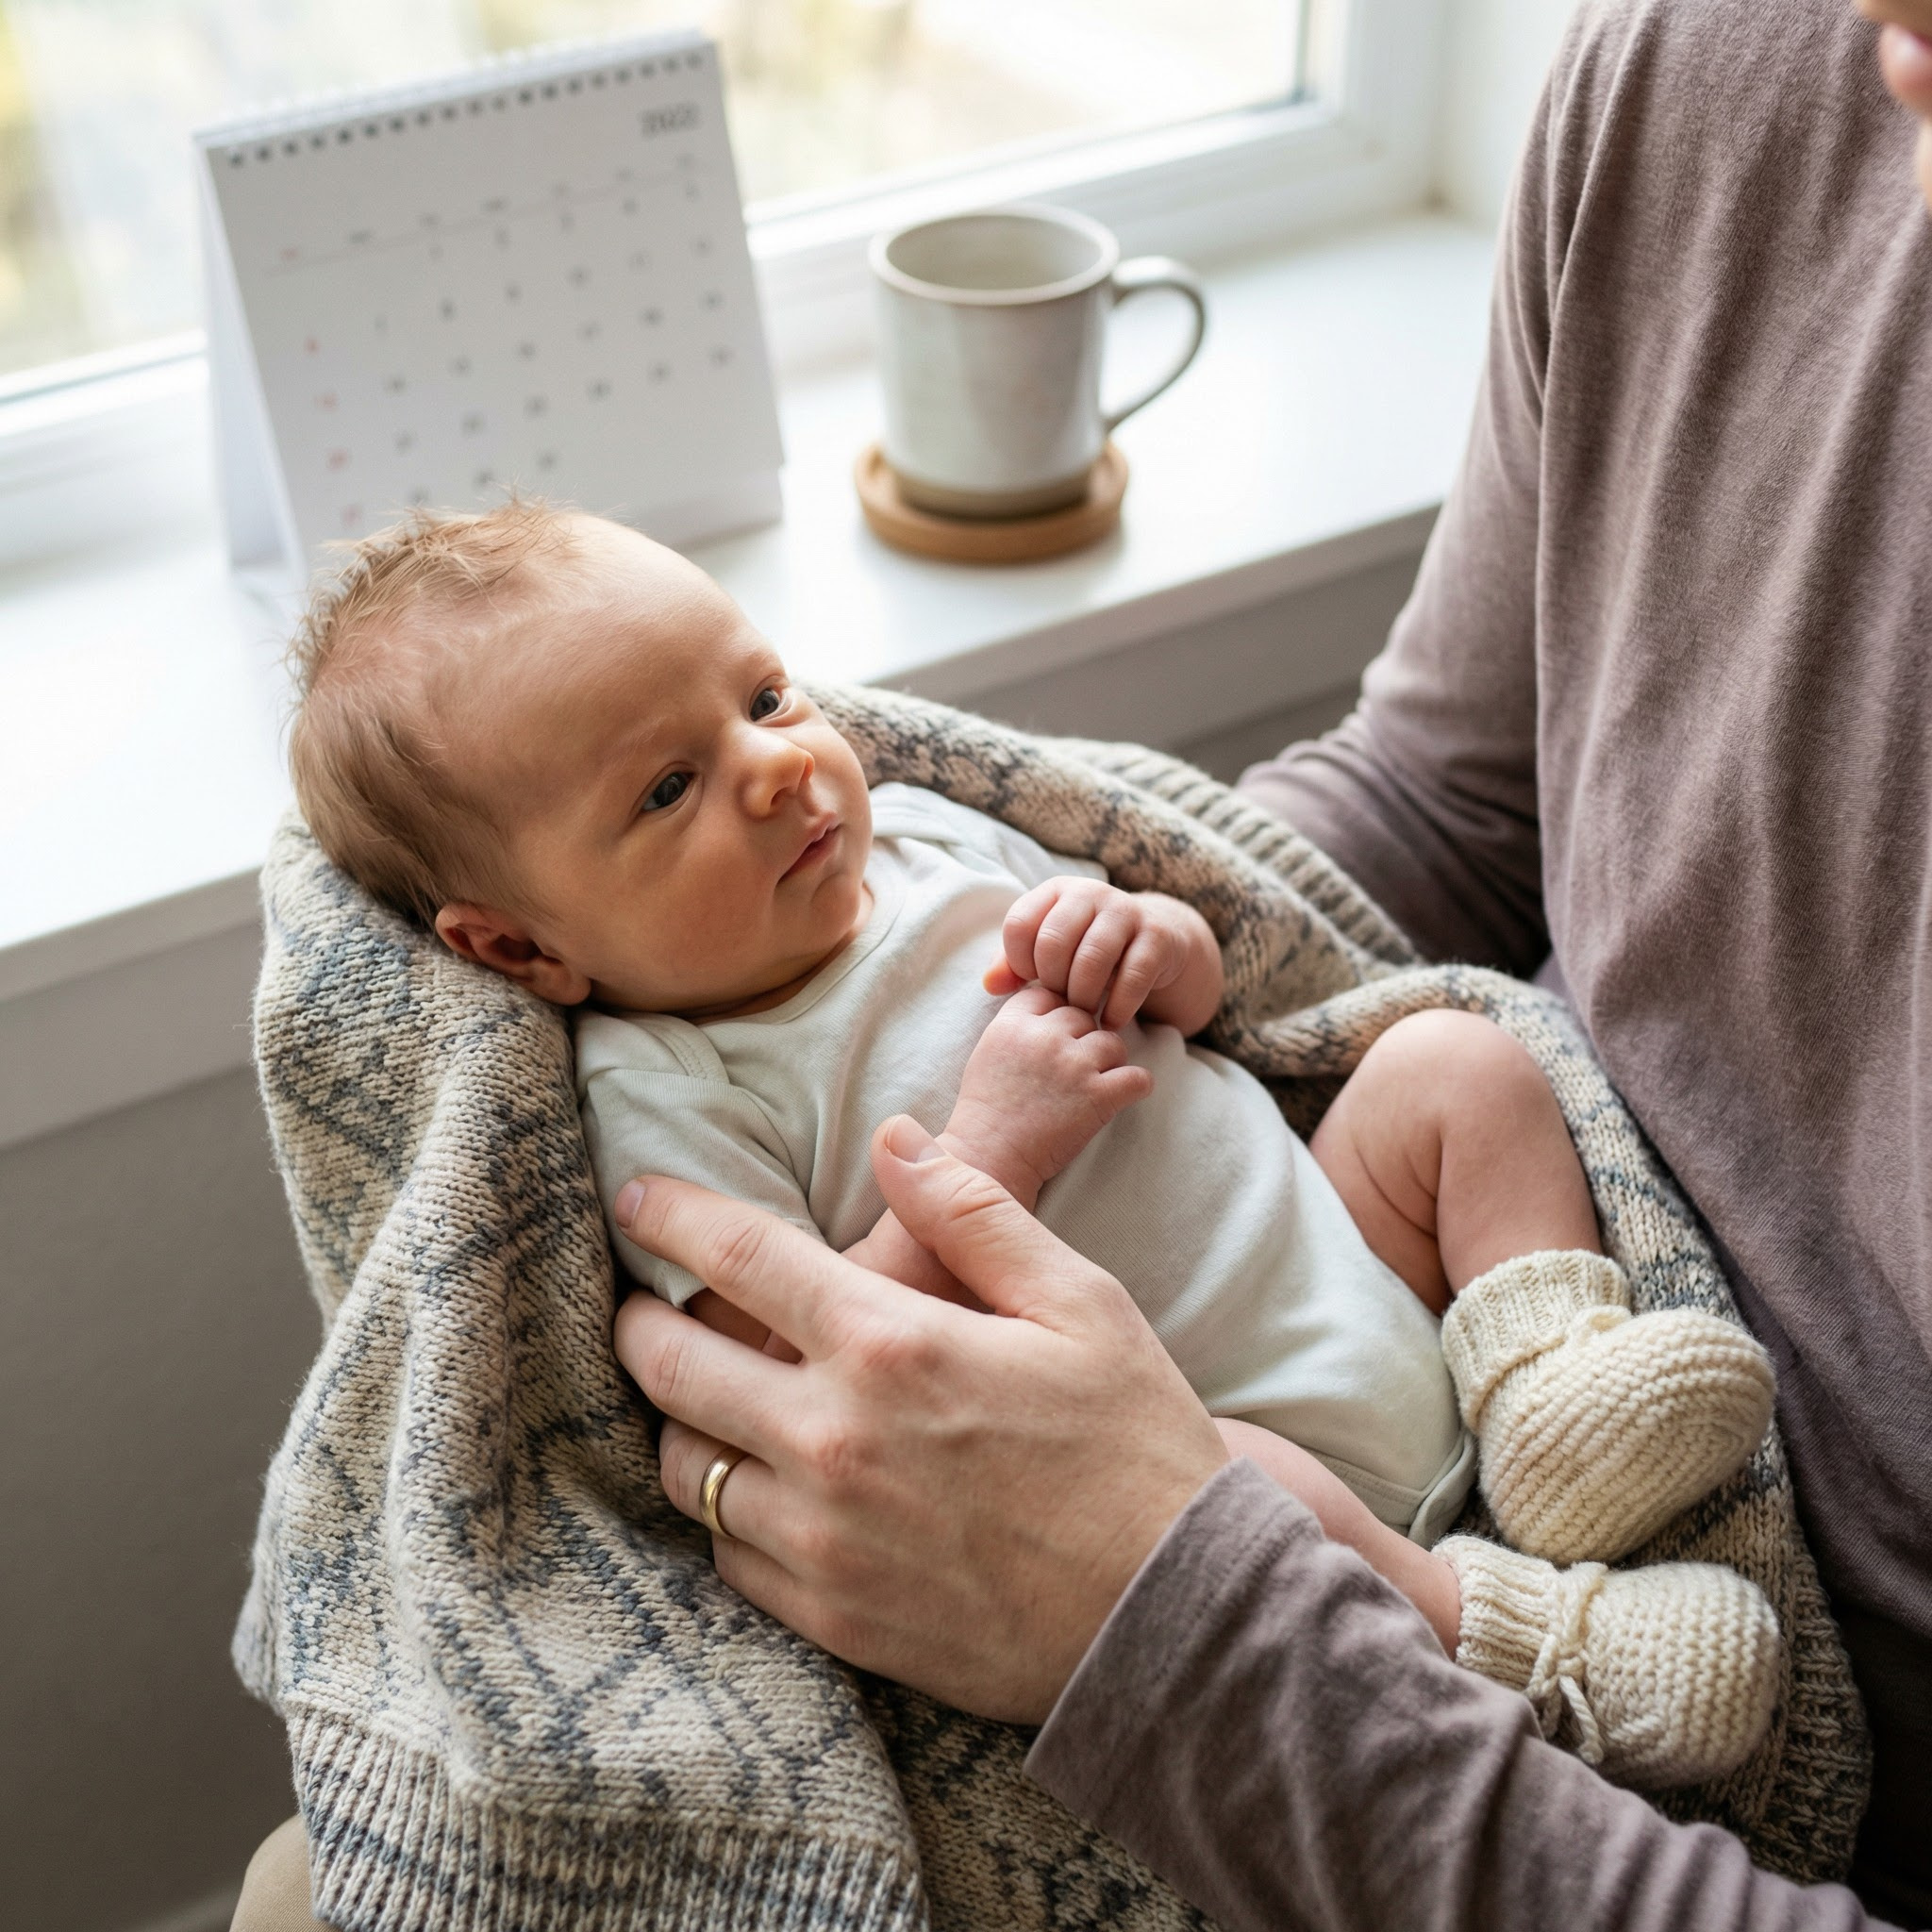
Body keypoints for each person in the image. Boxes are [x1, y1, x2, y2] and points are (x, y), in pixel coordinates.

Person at [606, 0, 1932, 1924]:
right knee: (1444, 1081)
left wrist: (1155, 1613)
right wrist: (1184, 934)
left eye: (760, 698)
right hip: (1390, 1341)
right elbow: (1439, 804)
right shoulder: (1714, 60)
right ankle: (1541, 1486)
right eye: (656, 782)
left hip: (1655, 1744)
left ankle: (1540, 1531)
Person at [283, 497, 1777, 1782]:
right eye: (669, 788)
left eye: (766, 697)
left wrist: (1153, 938)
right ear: (524, 947)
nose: (780, 770)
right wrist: (990, 1152)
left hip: (1360, 1259)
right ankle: (1529, 1649)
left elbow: (1217, 998)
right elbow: (790, 1376)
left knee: (1455, 1067)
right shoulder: (670, 1086)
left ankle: (1556, 1395)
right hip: (1202, 1427)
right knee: (1222, 1499)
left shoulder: (927, 838)